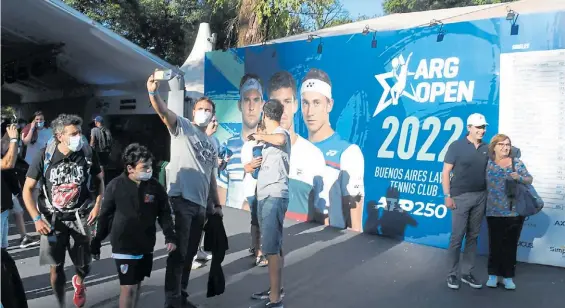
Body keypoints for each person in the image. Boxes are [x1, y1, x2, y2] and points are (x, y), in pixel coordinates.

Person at [146, 74, 221, 308]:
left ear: (212, 115)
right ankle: (172, 301)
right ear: (193, 112)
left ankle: (181, 295)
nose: (204, 112)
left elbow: (210, 177)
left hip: (200, 205)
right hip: (180, 201)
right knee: (178, 255)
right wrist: (152, 93)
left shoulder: (211, 143)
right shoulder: (183, 127)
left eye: (208, 109)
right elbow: (162, 113)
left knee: (189, 256)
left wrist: (215, 205)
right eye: (200, 108)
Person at [22, 114, 104, 308]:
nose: (79, 137)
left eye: (80, 132)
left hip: (81, 217)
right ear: (59, 136)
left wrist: (98, 205)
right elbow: (27, 189)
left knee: (84, 264)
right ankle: (61, 304)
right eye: (73, 133)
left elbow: (100, 179)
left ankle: (79, 281)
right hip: (52, 220)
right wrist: (36, 218)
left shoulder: (88, 152)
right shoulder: (44, 155)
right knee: (55, 267)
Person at [91, 143, 177, 308]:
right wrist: (97, 241)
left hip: (145, 243)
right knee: (128, 287)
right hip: (124, 244)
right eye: (144, 167)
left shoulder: (155, 187)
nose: (149, 170)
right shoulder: (115, 186)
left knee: (137, 284)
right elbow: (105, 216)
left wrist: (170, 236)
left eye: (150, 166)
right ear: (130, 168)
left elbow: (164, 213)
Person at [300, 68, 365, 231]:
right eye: (305, 103)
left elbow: (356, 226)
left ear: (329, 105)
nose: (309, 112)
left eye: (316, 103)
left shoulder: (349, 152)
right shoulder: (296, 149)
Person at [268, 71, 326, 223]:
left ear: (295, 105)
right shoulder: (255, 150)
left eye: (287, 102)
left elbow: (321, 214)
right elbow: (247, 206)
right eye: (276, 102)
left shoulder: (314, 155)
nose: (281, 109)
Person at [249, 99, 291, 308]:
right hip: (264, 194)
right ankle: (275, 289)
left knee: (271, 248)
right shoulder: (266, 142)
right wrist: (251, 166)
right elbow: (257, 170)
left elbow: (281, 139)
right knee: (274, 245)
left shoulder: (281, 133)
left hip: (275, 195)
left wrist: (260, 135)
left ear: (265, 116)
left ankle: (275, 300)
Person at [442, 113, 489, 290]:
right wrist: (447, 195)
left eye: (483, 127)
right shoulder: (456, 146)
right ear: (469, 128)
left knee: (473, 237)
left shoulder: (486, 147)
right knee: (457, 237)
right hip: (460, 197)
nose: (482, 130)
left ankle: (467, 273)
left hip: (480, 197)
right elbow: (446, 172)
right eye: (478, 127)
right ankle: (452, 274)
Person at [485, 134, 531, 290]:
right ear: (494, 147)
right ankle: (493, 275)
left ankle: (508, 277)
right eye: (502, 144)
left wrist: (520, 178)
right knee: (495, 244)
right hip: (493, 211)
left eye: (508, 144)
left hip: (514, 212)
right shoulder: (488, 163)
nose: (505, 147)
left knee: (510, 246)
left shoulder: (516, 163)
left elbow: (529, 179)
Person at [218, 74, 265, 211]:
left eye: (256, 100)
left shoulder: (270, 145)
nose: (251, 107)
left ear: (262, 105)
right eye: (246, 100)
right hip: (234, 224)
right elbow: (221, 188)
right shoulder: (227, 146)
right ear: (240, 104)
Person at [1, 122, 38, 248]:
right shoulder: (4, 143)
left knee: (3, 249)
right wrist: (13, 139)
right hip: (3, 199)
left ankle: (23, 237)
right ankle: (24, 237)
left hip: (4, 199)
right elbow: (8, 163)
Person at [241, 118, 266, 267]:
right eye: (262, 131)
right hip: (252, 189)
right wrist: (253, 164)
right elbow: (246, 168)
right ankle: (258, 251)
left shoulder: (272, 146)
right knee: (256, 220)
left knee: (264, 221)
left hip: (268, 189)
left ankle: (259, 247)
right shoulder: (249, 146)